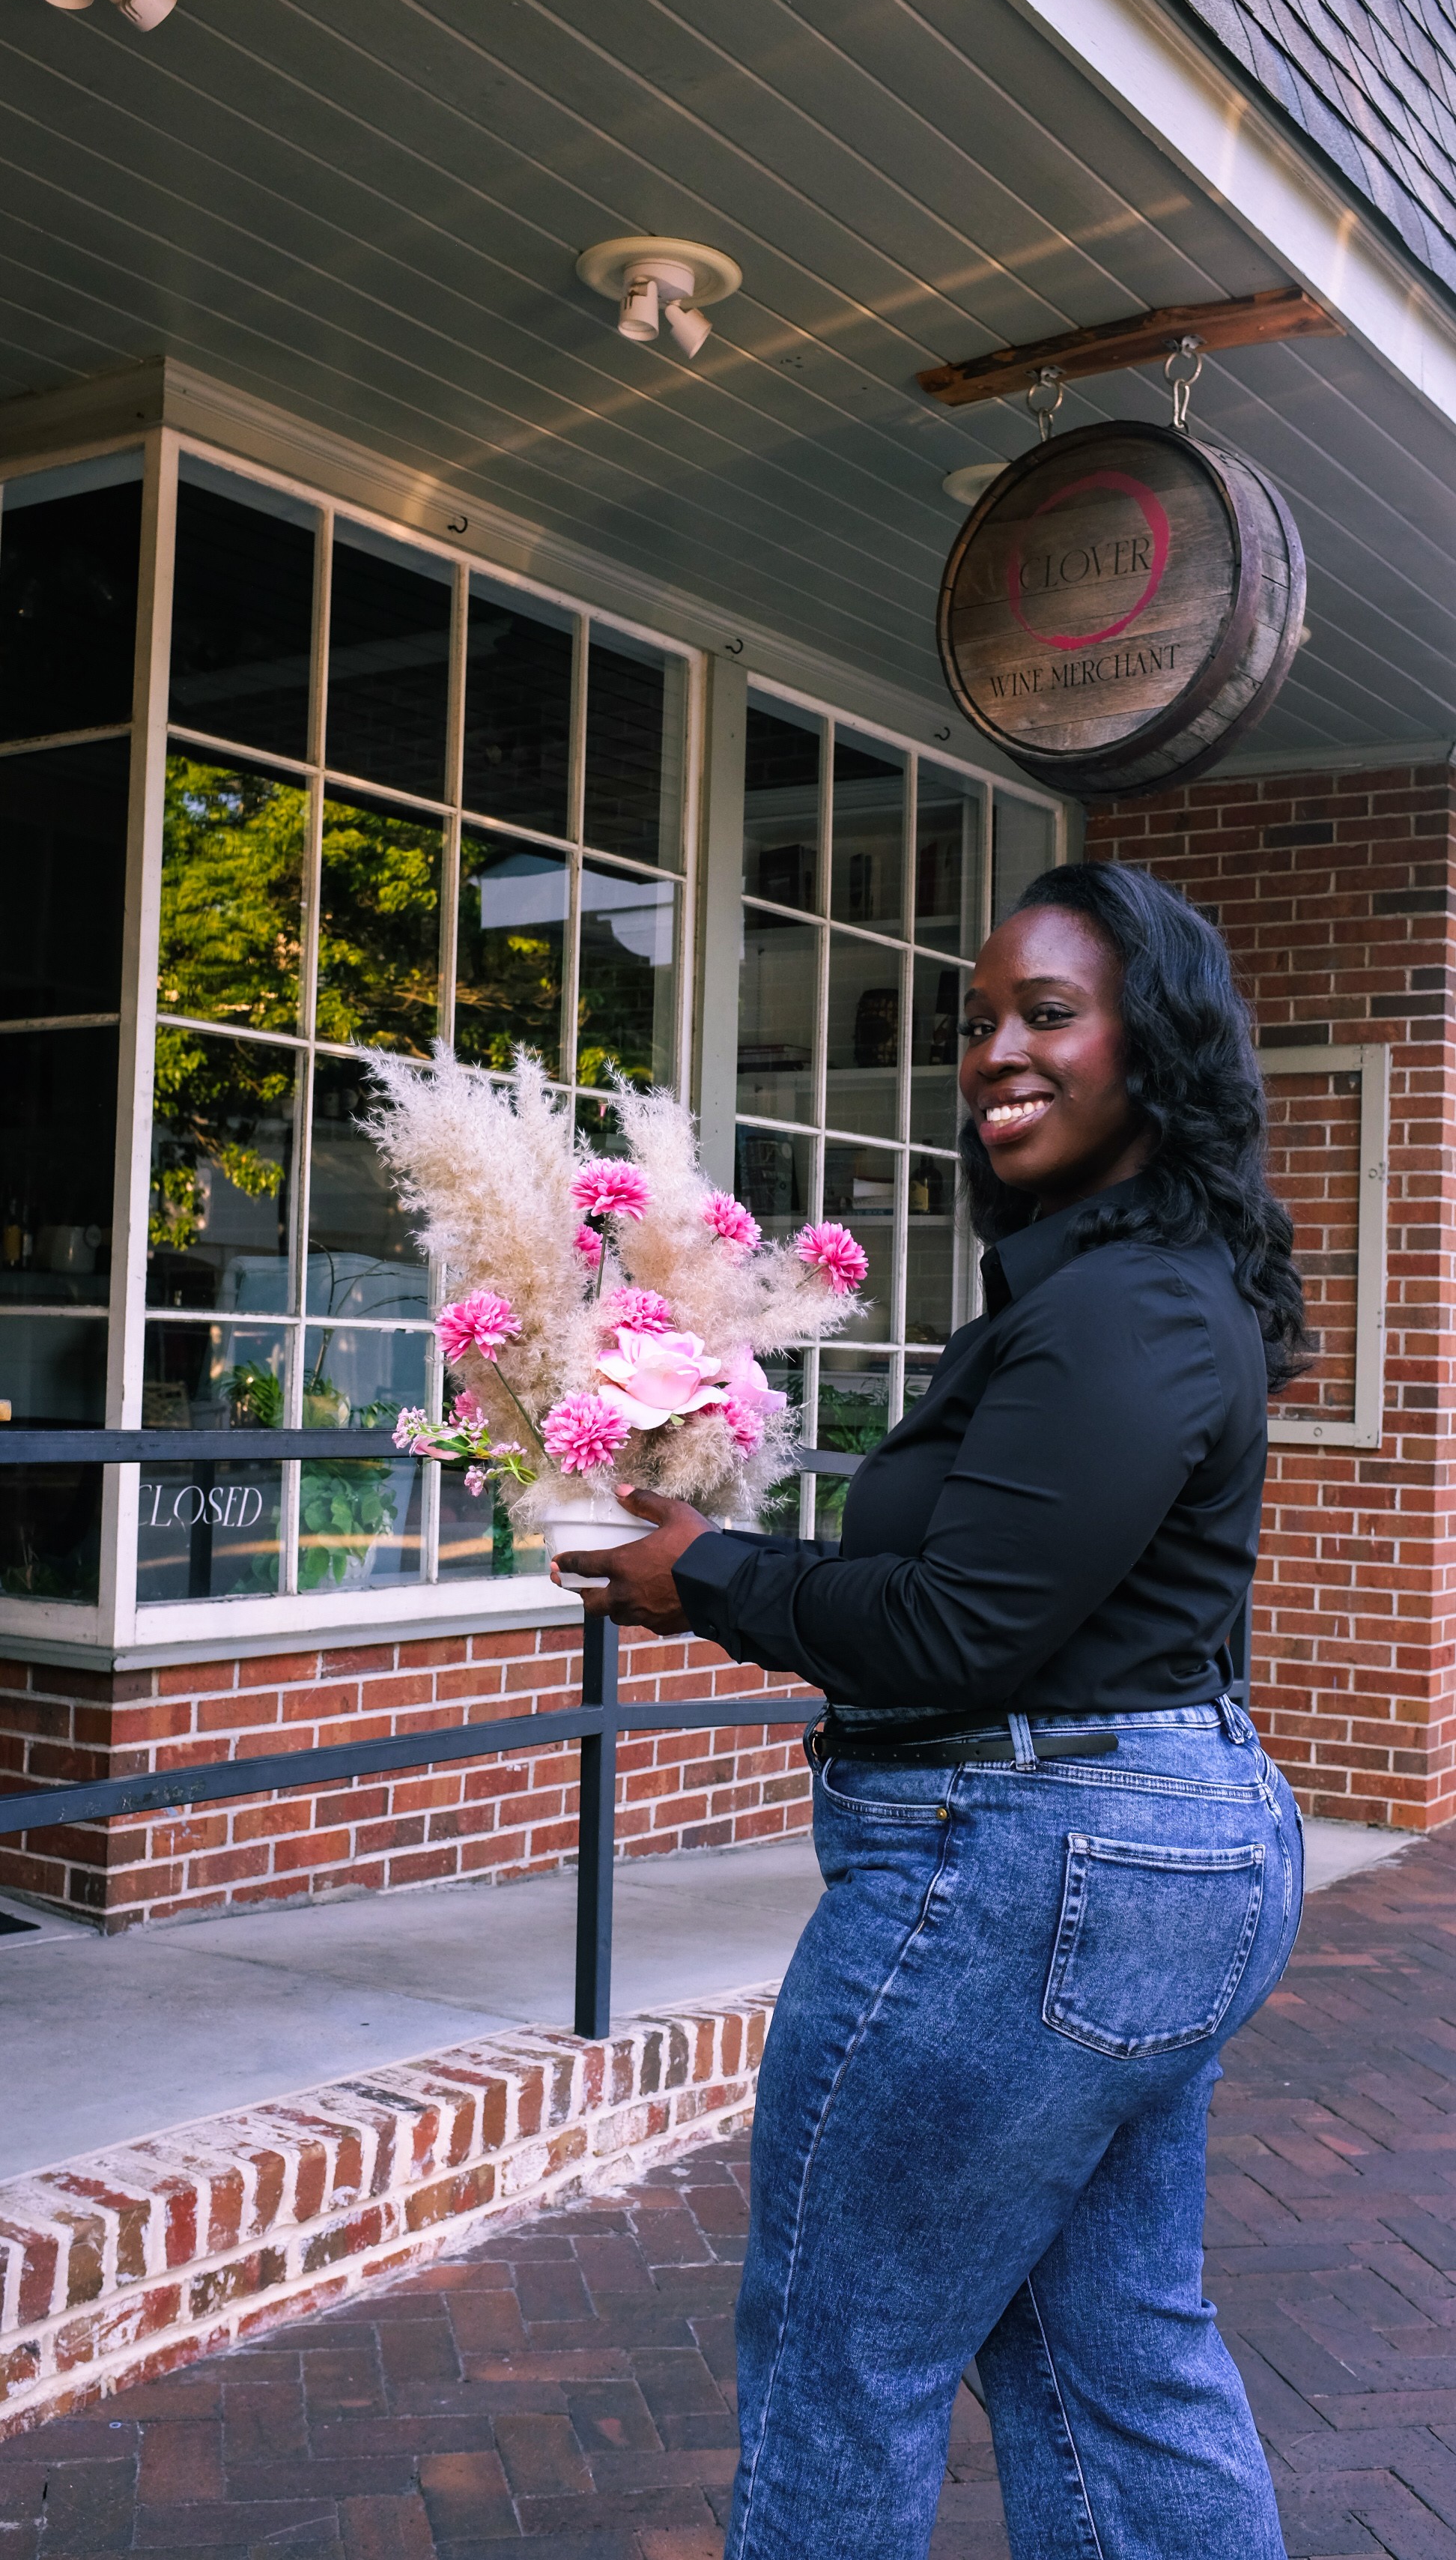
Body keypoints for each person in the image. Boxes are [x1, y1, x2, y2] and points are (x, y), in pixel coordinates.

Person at [558, 861, 1308, 2560]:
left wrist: (712, 1575)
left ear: (1154, 1048)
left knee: (844, 2357)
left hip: (1029, 1871)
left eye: (1049, 1014)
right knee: (1109, 2354)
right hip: (1123, 1861)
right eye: (980, 1021)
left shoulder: (1126, 1308)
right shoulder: (1124, 1285)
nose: (996, 1052)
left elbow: (962, 1623)